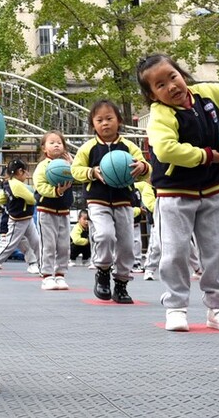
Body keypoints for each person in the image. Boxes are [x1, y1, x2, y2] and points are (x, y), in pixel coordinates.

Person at [138, 54, 219, 333]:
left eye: (172, 76)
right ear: (152, 96)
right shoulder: (161, 116)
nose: (171, 86)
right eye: (160, 85)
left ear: (182, 73)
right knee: (174, 253)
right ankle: (175, 307)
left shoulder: (206, 95)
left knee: (215, 254)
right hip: (173, 194)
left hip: (212, 191)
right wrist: (208, 155)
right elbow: (165, 150)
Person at [70, 100, 149, 305]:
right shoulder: (88, 148)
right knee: (104, 235)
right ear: (93, 125)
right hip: (98, 200)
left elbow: (144, 169)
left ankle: (121, 284)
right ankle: (103, 271)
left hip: (124, 201)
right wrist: (91, 172)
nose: (105, 123)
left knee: (126, 245)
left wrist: (142, 167)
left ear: (119, 121)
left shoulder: (129, 147)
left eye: (109, 118)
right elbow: (75, 171)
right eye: (99, 120)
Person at [0, 159, 41, 278]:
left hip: (27, 218)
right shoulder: (15, 184)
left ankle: (43, 266)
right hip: (18, 220)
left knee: (36, 242)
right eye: (25, 172)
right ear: (19, 171)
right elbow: (32, 199)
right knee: (9, 245)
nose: (27, 175)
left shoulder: (10, 183)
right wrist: (40, 194)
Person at [32, 132, 73, 290]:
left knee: (63, 245)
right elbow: (40, 186)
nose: (56, 145)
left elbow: (76, 177)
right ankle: (47, 276)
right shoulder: (43, 166)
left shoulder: (67, 164)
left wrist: (71, 165)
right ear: (44, 148)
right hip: (46, 209)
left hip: (64, 210)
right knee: (48, 244)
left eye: (59, 142)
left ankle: (60, 274)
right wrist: (56, 191)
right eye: (52, 142)